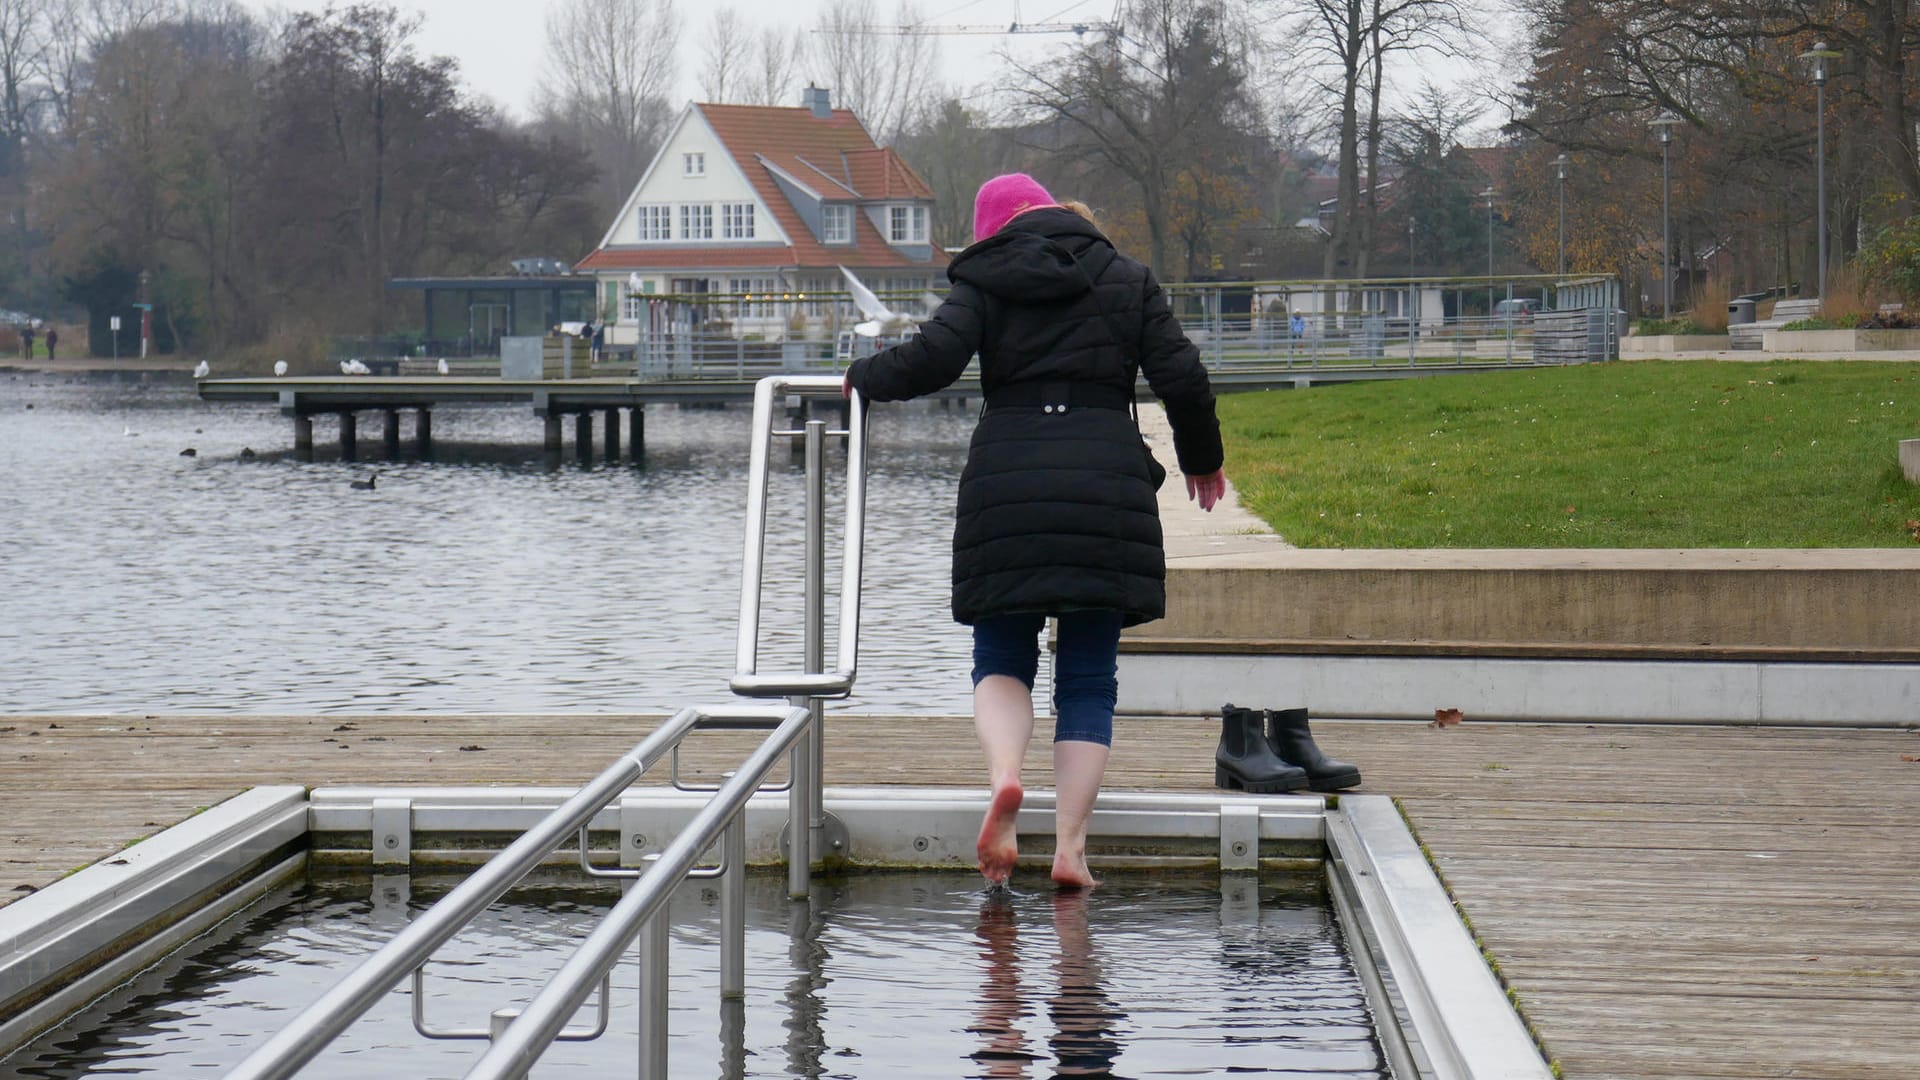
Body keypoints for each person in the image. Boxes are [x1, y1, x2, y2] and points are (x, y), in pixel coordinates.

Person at [844, 174, 1226, 890]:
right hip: (1103, 482)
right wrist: (1202, 459)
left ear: (996, 230)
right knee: (1087, 674)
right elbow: (1183, 377)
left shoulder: (986, 278)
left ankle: (1006, 781)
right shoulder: (1125, 277)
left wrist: (861, 377)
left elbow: (932, 359)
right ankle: (1072, 849)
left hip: (1009, 483)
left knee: (1001, 654)